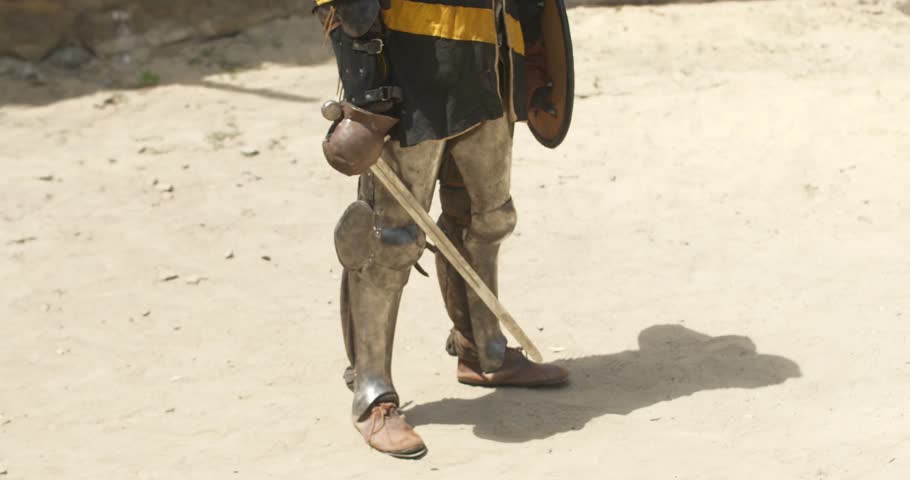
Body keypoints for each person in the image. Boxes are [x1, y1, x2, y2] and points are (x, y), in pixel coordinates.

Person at [315, 0, 570, 458]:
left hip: (491, 54)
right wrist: (364, 79)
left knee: (488, 219)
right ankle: (373, 391)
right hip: (410, 58)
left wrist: (532, 52)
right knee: (389, 237)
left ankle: (482, 351)